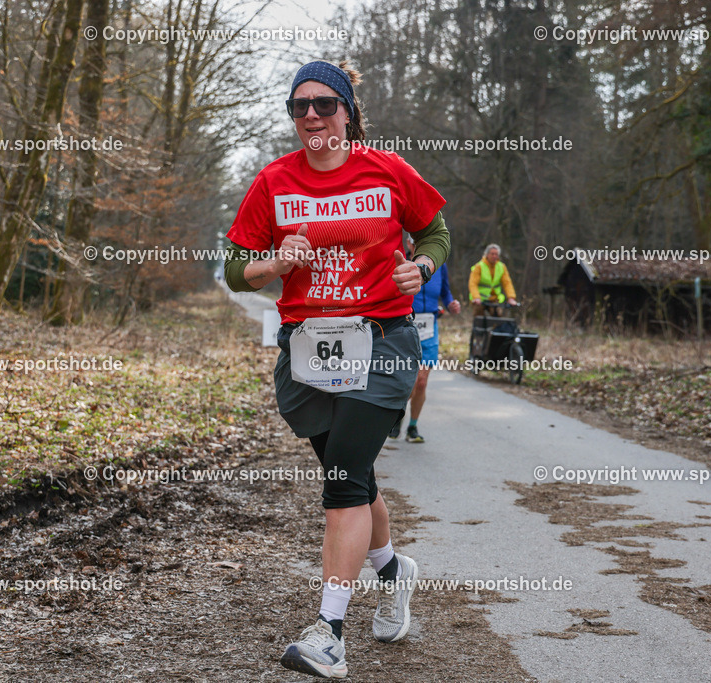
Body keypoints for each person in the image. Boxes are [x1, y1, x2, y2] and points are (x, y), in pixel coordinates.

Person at [223, 59, 450, 679]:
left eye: (325, 103)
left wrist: (421, 268)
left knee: (343, 482)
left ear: (348, 112)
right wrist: (275, 263)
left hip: (383, 343)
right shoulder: (274, 181)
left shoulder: (388, 170)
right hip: (307, 350)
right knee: (352, 472)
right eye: (300, 106)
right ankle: (393, 571)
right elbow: (235, 269)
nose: (313, 115)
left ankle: (329, 633)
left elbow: (435, 233)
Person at [389, 234, 460, 443]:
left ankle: (412, 426)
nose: (421, 245)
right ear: (409, 243)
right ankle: (397, 415)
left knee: (421, 382)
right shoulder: (401, 262)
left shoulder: (439, 265)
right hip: (405, 325)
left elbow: (445, 292)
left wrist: (451, 304)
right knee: (406, 381)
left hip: (430, 327)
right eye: (416, 242)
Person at [469, 243, 517, 317]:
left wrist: (511, 298)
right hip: (480, 298)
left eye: (496, 254)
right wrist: (476, 297)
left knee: (498, 316)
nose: (494, 256)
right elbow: (473, 284)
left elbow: (507, 283)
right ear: (487, 254)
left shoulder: (501, 267)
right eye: (492, 254)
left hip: (494, 298)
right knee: (479, 316)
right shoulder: (479, 266)